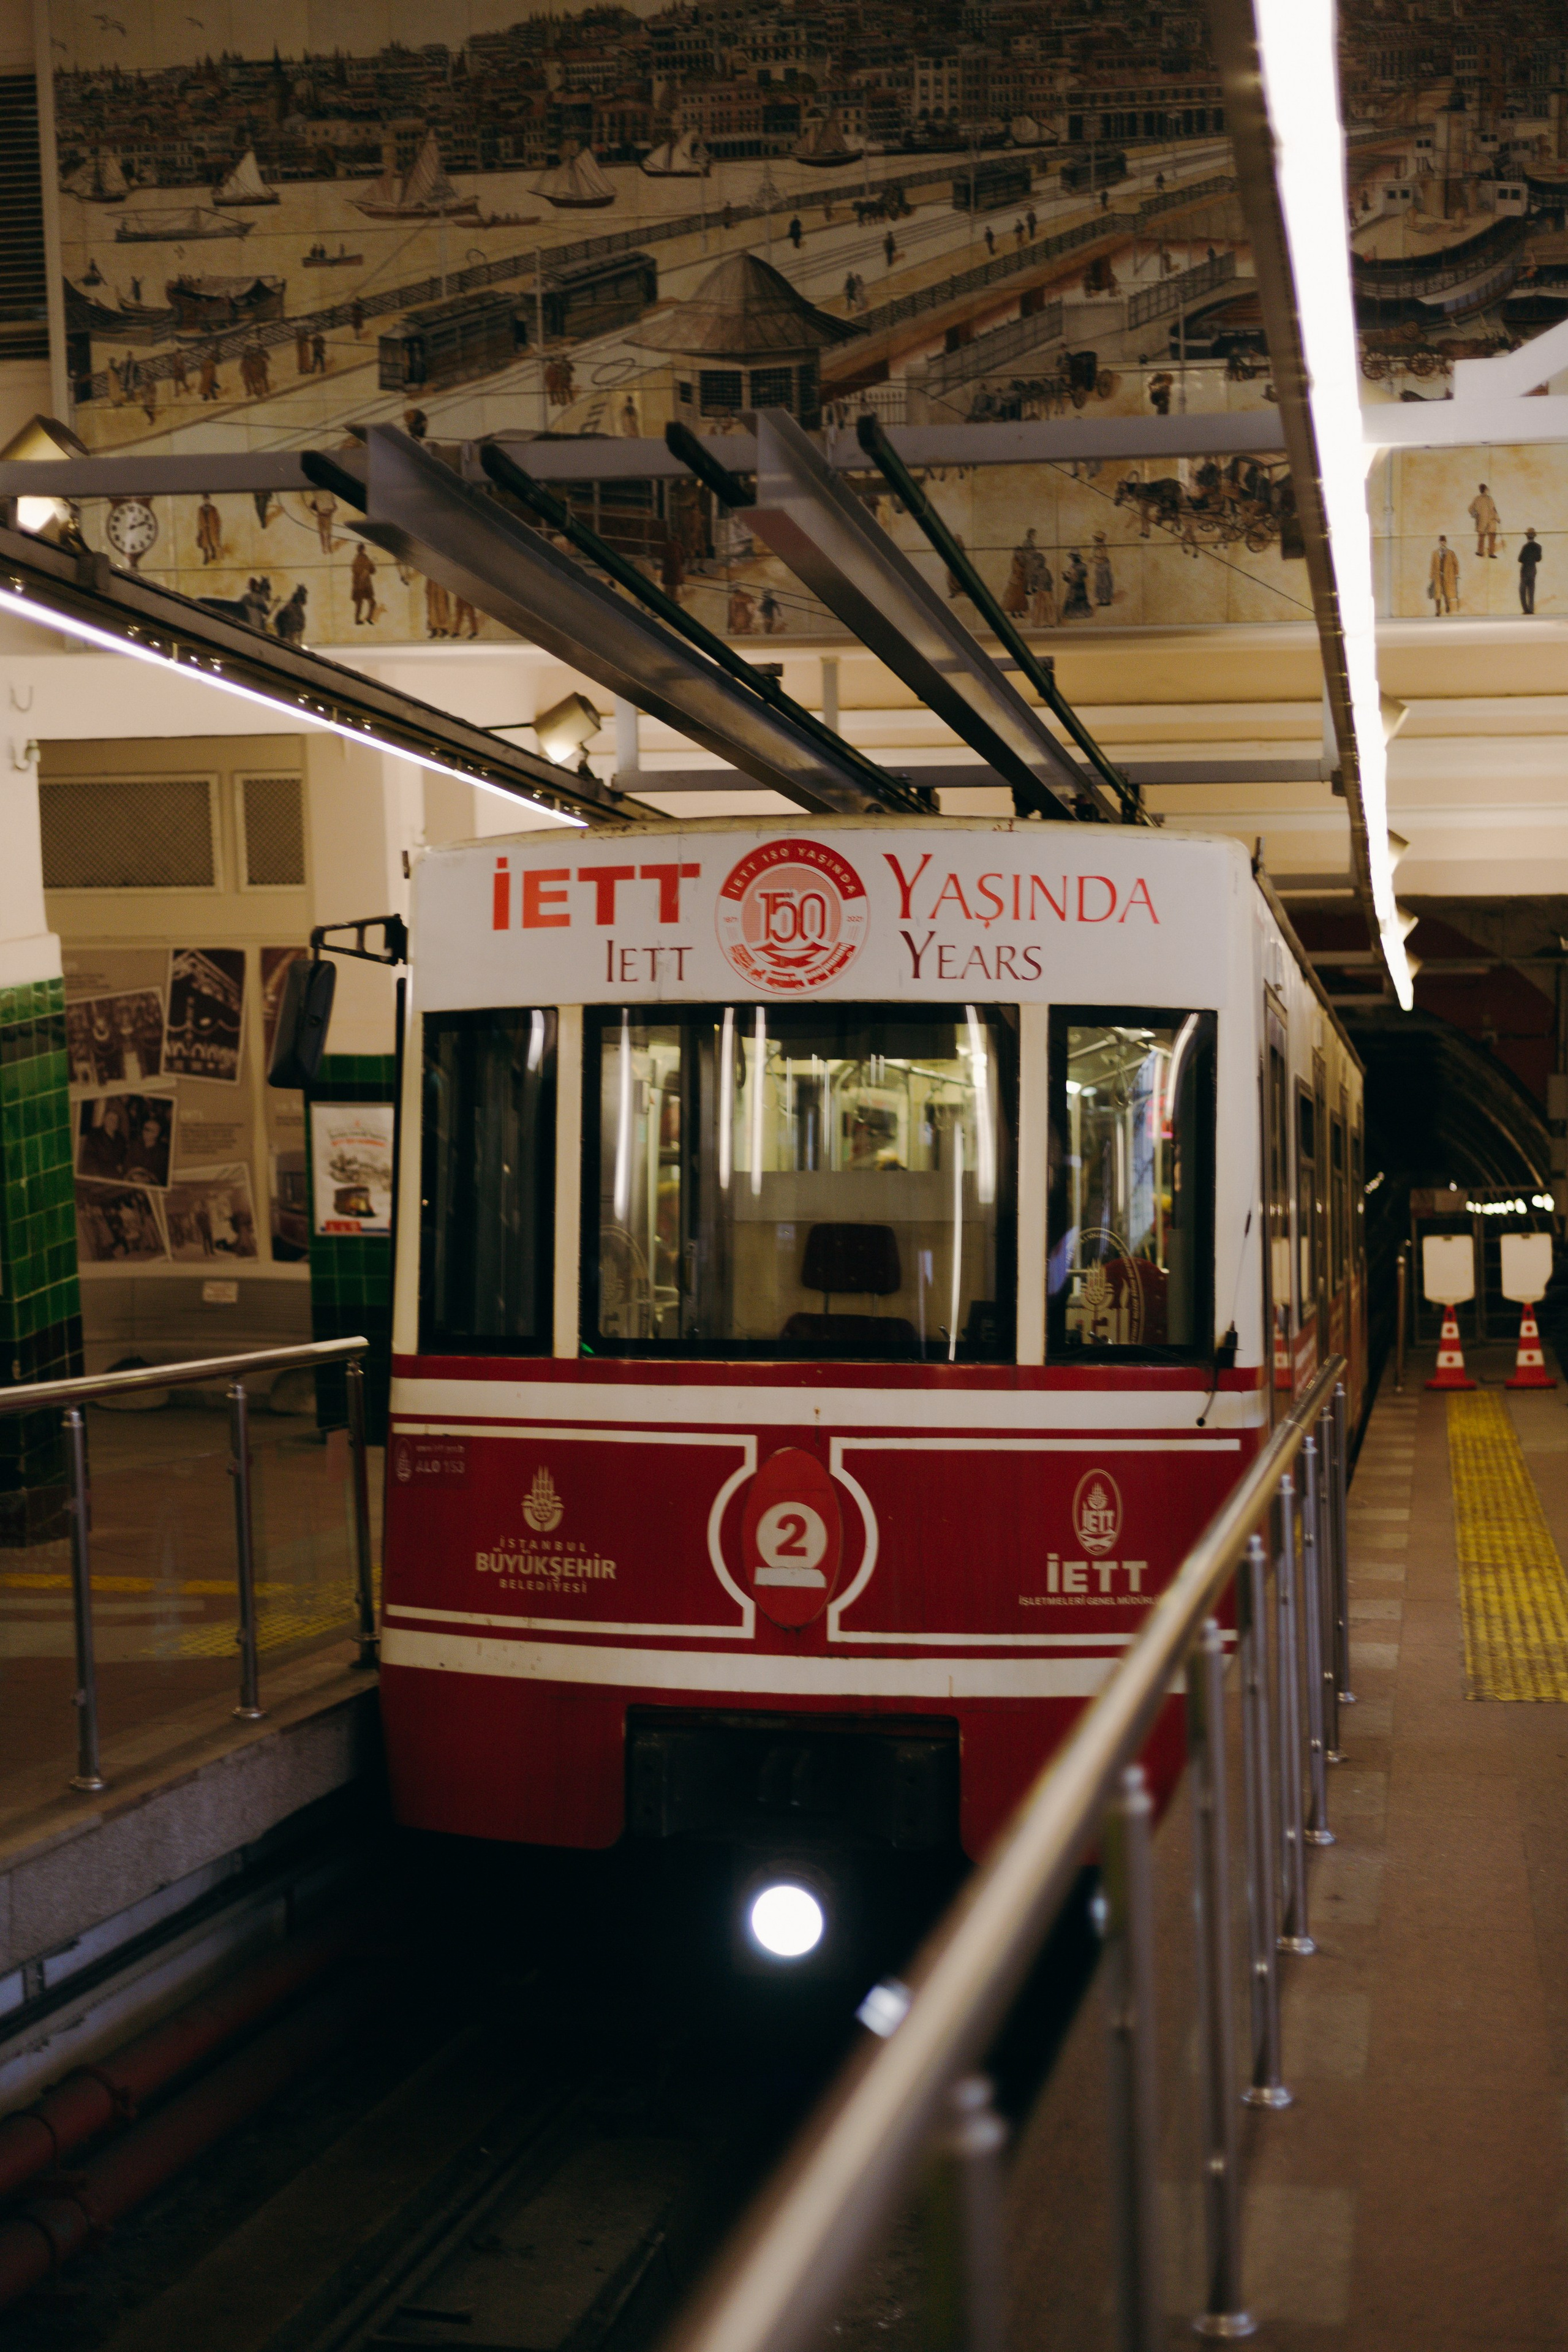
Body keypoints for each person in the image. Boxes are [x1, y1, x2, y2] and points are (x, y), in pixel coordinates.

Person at [80, 1101, 127, 1181]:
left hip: (115, 1174)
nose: (114, 1122)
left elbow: (123, 1157)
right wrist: (98, 1176)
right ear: (104, 1120)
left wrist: (122, 1166)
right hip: (99, 1174)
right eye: (111, 1119)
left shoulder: (121, 1139)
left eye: (116, 1120)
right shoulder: (94, 1135)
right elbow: (89, 1158)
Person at [124, 1112, 165, 1187]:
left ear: (156, 1134)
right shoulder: (135, 1145)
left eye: (148, 1130)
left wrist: (147, 1179)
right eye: (144, 1128)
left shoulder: (162, 1152)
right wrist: (134, 1176)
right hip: (132, 1181)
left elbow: (161, 1172)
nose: (144, 1132)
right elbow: (128, 1162)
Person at [1429, 533, 1459, 615]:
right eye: (1441, 542)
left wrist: (1456, 574)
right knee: (1437, 594)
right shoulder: (1435, 553)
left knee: (1447, 592)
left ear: (1446, 543)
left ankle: (1448, 606)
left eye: (1444, 542)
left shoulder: (1451, 553)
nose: (1443, 543)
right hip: (1438, 576)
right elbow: (1433, 565)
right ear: (1439, 542)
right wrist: (1432, 576)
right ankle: (1438, 611)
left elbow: (1456, 563)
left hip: (1448, 576)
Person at [1468, 481, 1499, 558]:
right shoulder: (1488, 499)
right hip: (1489, 521)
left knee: (1484, 537)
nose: (1487, 490)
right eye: (1486, 489)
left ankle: (1481, 552)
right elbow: (1494, 510)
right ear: (1485, 490)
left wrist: (1475, 515)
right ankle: (1489, 553)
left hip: (1483, 522)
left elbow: (1470, 509)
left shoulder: (1477, 499)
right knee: (1490, 537)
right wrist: (1498, 519)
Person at [350, 543, 377, 624]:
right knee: (372, 603)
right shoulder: (366, 560)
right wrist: (372, 563)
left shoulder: (355, 560)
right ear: (363, 550)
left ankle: (357, 620)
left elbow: (355, 572)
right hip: (366, 586)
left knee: (359, 604)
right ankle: (369, 618)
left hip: (358, 586)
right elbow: (373, 571)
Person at [1519, 526, 1543, 613]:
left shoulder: (1525, 547)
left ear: (1527, 537)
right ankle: (1531, 609)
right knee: (1531, 591)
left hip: (1525, 570)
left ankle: (1526, 610)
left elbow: (1520, 559)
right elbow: (1539, 559)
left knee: (1522, 591)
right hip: (1533, 570)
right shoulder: (1539, 547)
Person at [1061, 549, 1091, 619]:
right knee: (1081, 599)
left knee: (1073, 599)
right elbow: (1085, 575)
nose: (1071, 559)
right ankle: (1083, 614)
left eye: (1072, 557)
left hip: (1074, 587)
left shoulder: (1072, 567)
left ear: (1074, 558)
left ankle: (1073, 615)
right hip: (1081, 586)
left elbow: (1070, 580)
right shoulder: (1084, 566)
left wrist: (1065, 577)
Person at [196, 496, 222, 565]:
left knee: (212, 542)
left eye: (207, 500)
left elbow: (218, 519)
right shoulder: (201, 509)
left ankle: (214, 554)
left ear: (209, 500)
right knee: (205, 545)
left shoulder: (213, 509)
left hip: (212, 529)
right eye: (205, 500)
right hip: (204, 530)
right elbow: (199, 520)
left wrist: (218, 528)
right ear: (203, 500)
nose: (206, 501)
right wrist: (200, 529)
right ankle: (206, 558)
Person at [1092, 531, 1114, 608]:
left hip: (1103, 568)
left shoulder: (1102, 549)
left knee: (1104, 583)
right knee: (1100, 583)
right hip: (1100, 568)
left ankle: (1106, 600)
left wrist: (1093, 560)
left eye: (1096, 540)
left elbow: (1102, 560)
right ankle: (1101, 600)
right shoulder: (1097, 547)